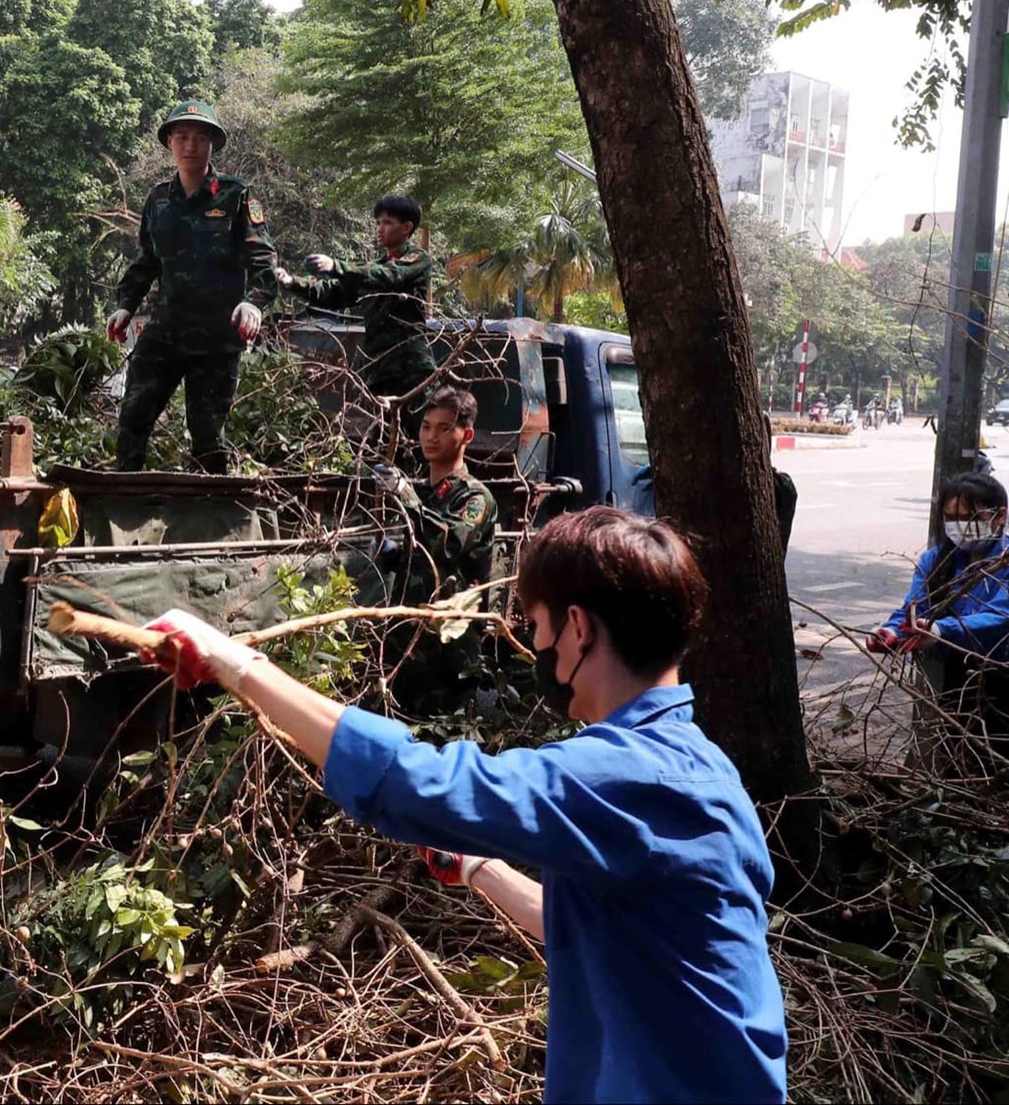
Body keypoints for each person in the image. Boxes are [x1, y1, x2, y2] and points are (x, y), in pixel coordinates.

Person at [138, 506, 787, 1103]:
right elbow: (604, 927)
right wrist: (482, 870)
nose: (536, 648)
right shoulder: (697, 767)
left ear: (579, 628)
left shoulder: (625, 775)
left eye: (536, 627)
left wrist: (234, 662)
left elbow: (420, 783)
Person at [108, 99, 277, 474]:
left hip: (216, 337)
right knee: (133, 418)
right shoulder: (158, 200)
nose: (191, 145)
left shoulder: (236, 195)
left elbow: (263, 259)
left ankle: (211, 516)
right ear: (169, 142)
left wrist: (254, 304)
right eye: (182, 136)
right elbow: (147, 260)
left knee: (207, 435)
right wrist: (126, 305)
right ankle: (122, 503)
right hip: (165, 330)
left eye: (201, 138)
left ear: (213, 144)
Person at [370, 386, 499, 711]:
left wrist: (404, 494)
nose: (431, 437)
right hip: (406, 647)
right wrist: (394, 554)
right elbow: (423, 558)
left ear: (466, 434)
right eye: (426, 427)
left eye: (444, 429)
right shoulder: (427, 493)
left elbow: (447, 543)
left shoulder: (474, 497)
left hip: (449, 653)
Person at [869, 471, 1009, 764]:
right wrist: (893, 632)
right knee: (954, 756)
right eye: (952, 518)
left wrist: (942, 630)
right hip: (952, 680)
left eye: (972, 518)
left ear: (1000, 517)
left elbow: (1001, 616)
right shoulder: (934, 560)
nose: (961, 528)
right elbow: (913, 608)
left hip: (1000, 677)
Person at [274, 194, 435, 405]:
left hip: (412, 368)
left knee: (423, 433)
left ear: (406, 228)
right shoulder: (369, 271)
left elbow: (390, 275)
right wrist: (291, 282)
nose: (380, 228)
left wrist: (336, 266)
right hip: (379, 369)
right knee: (383, 436)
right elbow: (334, 293)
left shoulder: (417, 259)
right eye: (378, 222)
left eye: (387, 222)